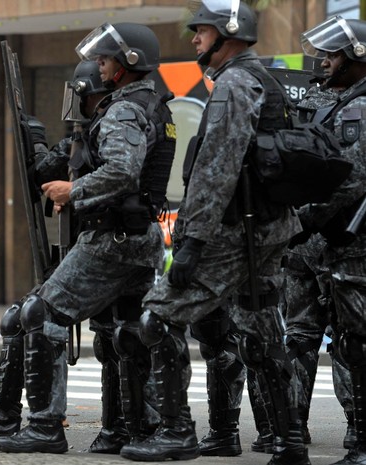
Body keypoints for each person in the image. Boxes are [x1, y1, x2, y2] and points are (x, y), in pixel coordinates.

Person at [119, 2, 310, 464]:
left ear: (229, 33)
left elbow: (216, 170)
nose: (193, 39)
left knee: (157, 319)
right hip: (266, 230)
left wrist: (192, 243)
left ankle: (176, 432)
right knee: (261, 337)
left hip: (230, 233)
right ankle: (288, 443)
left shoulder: (233, 84)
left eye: (200, 31)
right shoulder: (264, 80)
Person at [0, 22, 176, 454]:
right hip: (140, 237)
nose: (100, 65)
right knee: (125, 332)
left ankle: (44, 427)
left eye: (107, 58)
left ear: (129, 63)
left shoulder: (125, 109)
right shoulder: (153, 105)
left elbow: (122, 171)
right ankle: (129, 429)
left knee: (39, 314)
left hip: (110, 239)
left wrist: (74, 190)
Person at [296, 16, 366, 465]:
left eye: (334, 53)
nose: (324, 60)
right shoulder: (324, 102)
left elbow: (354, 176)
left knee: (356, 341)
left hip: (351, 242)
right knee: (298, 336)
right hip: (313, 245)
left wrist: (305, 216)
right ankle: (284, 433)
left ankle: (361, 439)